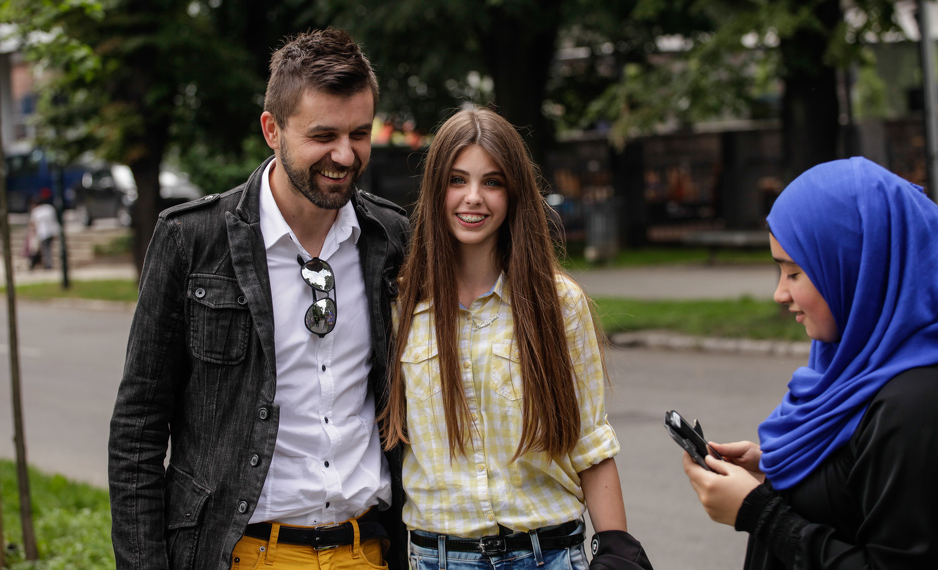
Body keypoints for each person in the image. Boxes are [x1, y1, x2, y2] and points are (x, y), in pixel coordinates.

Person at [108, 28, 410, 570]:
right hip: (243, 553)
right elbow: (138, 427)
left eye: (359, 133)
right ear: (272, 129)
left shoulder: (392, 239)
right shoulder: (192, 240)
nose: (345, 154)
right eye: (323, 135)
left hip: (368, 552)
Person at [381, 106, 653, 570]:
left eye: (492, 182)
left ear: (513, 194)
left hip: (547, 555)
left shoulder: (557, 303)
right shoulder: (401, 307)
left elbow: (589, 439)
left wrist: (617, 547)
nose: (473, 198)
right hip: (440, 559)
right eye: (456, 180)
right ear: (434, 190)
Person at [681, 156, 938, 569]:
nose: (780, 294)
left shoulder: (915, 405)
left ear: (859, 269)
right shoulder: (854, 367)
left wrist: (759, 513)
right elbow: (853, 488)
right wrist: (779, 469)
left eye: (795, 272)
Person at [28, 193, 60, 270]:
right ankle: (48, 263)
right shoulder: (50, 208)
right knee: (48, 248)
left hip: (43, 232)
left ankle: (48, 264)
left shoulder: (36, 211)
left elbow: (33, 224)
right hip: (52, 231)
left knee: (45, 249)